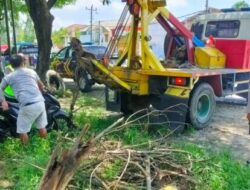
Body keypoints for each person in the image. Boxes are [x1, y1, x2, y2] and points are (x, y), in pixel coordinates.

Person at [0, 54, 48, 144]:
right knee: (42, 127)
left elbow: (0, 88)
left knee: (22, 131)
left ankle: (25, 150)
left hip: (27, 105)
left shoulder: (9, 77)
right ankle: (44, 146)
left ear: (11, 65)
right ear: (22, 63)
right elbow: (41, 86)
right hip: (40, 103)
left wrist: (3, 101)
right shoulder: (31, 72)